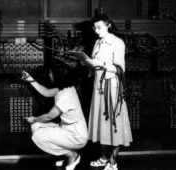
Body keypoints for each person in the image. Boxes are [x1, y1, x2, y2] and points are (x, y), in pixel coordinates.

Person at [85, 14, 132, 170]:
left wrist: (101, 64)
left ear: (108, 25)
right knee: (101, 124)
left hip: (112, 88)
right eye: (94, 27)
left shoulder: (117, 43)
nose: (96, 30)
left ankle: (113, 162)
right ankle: (104, 157)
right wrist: (87, 63)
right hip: (98, 87)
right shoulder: (98, 42)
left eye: (99, 27)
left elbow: (120, 68)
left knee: (114, 125)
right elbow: (94, 65)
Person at [22, 63, 88, 170]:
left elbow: (48, 117)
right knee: (36, 126)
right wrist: (30, 79)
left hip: (76, 137)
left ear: (58, 76)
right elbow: (46, 92)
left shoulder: (65, 95)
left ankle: (72, 156)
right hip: (69, 130)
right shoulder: (67, 88)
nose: (49, 75)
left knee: (38, 135)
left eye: (51, 73)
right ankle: (64, 154)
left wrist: (33, 119)